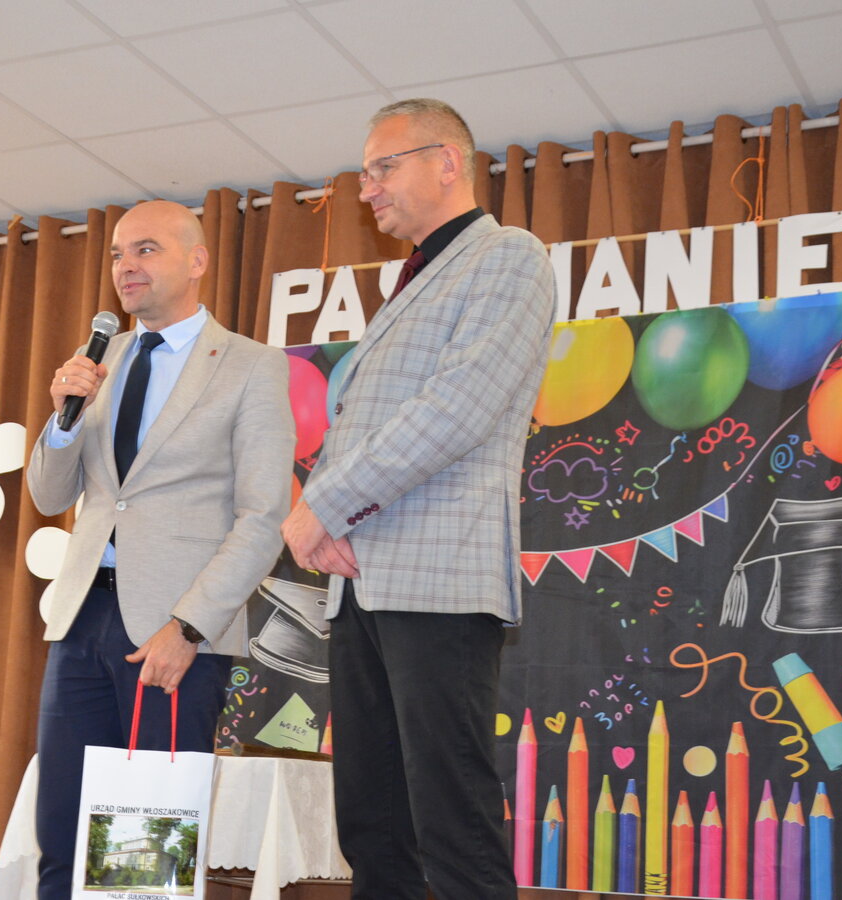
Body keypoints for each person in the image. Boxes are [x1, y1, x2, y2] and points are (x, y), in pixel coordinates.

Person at [282, 99, 556, 899]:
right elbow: (365, 428)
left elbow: (456, 408)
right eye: (363, 173)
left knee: (451, 822)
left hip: (438, 580)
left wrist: (322, 506)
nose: (366, 188)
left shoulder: (507, 256)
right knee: (372, 826)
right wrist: (328, 518)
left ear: (447, 163)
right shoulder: (413, 281)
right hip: (358, 585)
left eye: (382, 167)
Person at [28, 199, 295, 899]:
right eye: (117, 254)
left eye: (145, 249)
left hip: (174, 635)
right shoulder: (99, 362)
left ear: (197, 260)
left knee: (139, 856)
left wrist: (189, 627)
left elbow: (263, 517)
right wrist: (62, 419)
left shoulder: (251, 366)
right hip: (80, 618)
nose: (126, 266)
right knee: (60, 834)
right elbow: (50, 496)